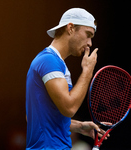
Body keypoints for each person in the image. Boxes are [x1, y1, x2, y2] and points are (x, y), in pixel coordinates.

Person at [26, 8, 110, 150]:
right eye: (88, 35)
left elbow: (35, 117)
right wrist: (87, 72)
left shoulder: (53, 62)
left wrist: (79, 126)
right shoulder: (49, 61)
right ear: (70, 28)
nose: (90, 43)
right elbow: (69, 108)